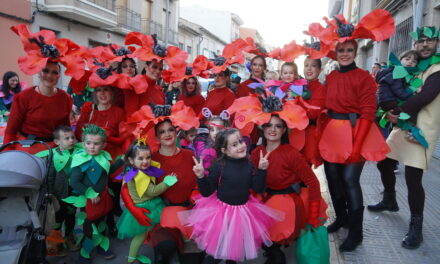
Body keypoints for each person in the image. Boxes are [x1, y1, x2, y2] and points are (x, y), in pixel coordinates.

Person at [368, 26, 440, 249]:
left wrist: (395, 113)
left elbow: (424, 98)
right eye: (421, 41)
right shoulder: (414, 67)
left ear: (437, 43)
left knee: (412, 178)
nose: (425, 45)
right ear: (414, 45)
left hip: (421, 131)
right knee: (384, 161)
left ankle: (416, 227)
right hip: (404, 124)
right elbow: (395, 88)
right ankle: (390, 199)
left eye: (430, 40)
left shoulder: (437, 69)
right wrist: (386, 109)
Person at [319, 40, 389, 252]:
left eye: (350, 50)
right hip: (333, 132)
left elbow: (369, 111)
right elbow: (323, 105)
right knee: (332, 176)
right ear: (335, 52)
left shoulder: (364, 77)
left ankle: (356, 233)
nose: (345, 54)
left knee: (350, 180)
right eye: (341, 50)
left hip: (356, 130)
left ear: (356, 52)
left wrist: (357, 146)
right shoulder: (331, 77)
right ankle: (342, 218)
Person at [180, 128, 282, 263]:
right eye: (234, 145)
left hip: (242, 214)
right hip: (221, 214)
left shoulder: (248, 164)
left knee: (233, 253)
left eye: (240, 142)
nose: (241, 146)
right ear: (224, 151)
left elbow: (257, 188)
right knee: (215, 254)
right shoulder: (219, 166)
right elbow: (207, 191)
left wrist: (262, 170)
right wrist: (200, 177)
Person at [251, 115, 323, 263]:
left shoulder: (292, 154)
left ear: (284, 130)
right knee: (268, 244)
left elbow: (314, 183)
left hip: (286, 207)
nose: (272, 129)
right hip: (263, 203)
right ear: (262, 128)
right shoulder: (255, 153)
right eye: (268, 125)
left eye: (278, 126)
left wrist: (313, 216)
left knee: (276, 248)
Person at [116, 139, 178, 264]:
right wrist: (167, 183)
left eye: (148, 157)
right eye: (141, 158)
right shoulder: (139, 175)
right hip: (145, 207)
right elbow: (153, 191)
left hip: (142, 204)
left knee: (144, 233)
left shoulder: (132, 170)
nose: (145, 161)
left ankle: (134, 255)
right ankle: (131, 260)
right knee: (140, 235)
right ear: (131, 160)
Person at [67, 124, 122, 264]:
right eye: (88, 143)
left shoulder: (104, 157)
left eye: (96, 143)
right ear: (83, 143)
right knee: (89, 227)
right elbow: (74, 182)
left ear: (103, 145)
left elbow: (108, 172)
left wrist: (122, 160)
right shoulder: (80, 159)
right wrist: (89, 194)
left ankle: (101, 247)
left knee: (101, 223)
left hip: (102, 197)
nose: (92, 147)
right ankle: (85, 252)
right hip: (87, 200)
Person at [4, 61, 72, 154]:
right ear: (39, 73)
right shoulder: (23, 97)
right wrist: (7, 155)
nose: (49, 75)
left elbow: (66, 128)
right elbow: (11, 131)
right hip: (28, 150)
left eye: (54, 72)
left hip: (56, 152)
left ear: (58, 76)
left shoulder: (66, 98)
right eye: (45, 71)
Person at [36, 126, 83, 256]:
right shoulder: (53, 155)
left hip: (73, 194)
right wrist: (50, 194)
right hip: (58, 195)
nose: (71, 140)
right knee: (57, 220)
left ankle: (69, 237)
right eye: (66, 138)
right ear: (57, 142)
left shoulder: (79, 152)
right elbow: (49, 177)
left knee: (71, 217)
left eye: (73, 137)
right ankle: (55, 244)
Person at [75, 85, 126, 159]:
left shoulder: (119, 112)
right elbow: (78, 134)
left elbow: (122, 140)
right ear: (95, 94)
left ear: (111, 92)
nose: (102, 93)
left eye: (106, 89)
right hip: (89, 155)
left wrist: (108, 137)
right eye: (99, 90)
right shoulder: (88, 109)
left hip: (110, 156)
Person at [302, 57, 326, 167]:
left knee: (304, 172)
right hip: (294, 134)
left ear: (320, 69)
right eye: (306, 65)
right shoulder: (297, 86)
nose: (309, 69)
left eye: (313, 65)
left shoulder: (322, 89)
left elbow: (313, 113)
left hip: (310, 136)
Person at [192, 108, 230, 175]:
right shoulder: (208, 152)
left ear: (226, 129)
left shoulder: (231, 147)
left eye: (219, 129)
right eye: (212, 130)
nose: (215, 133)